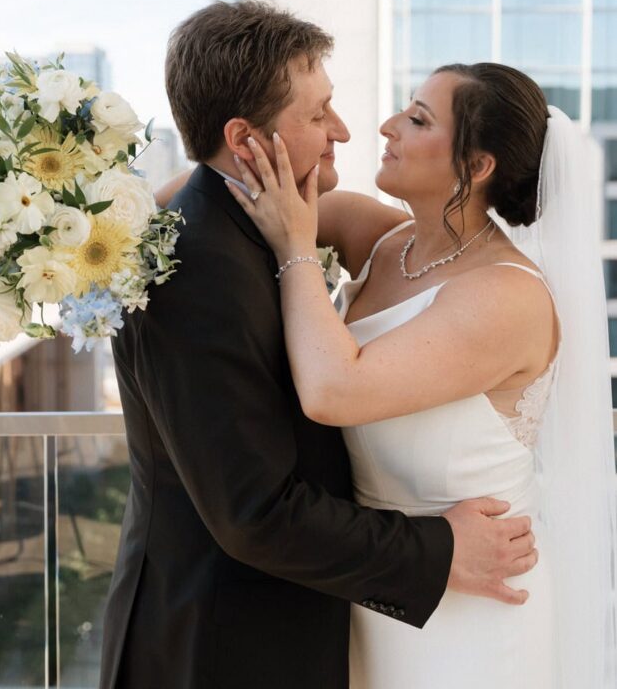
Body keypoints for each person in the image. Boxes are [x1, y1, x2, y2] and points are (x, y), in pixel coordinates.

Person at [99, 2, 537, 689]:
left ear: (476, 164)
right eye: (318, 114)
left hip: (389, 610)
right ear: (246, 141)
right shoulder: (200, 265)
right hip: (223, 642)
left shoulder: (316, 226)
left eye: (418, 118)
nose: (353, 129)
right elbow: (256, 512)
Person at [226, 61, 617, 688]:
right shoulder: (383, 241)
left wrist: (295, 248)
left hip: (475, 601)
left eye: (417, 119)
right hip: (379, 581)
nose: (386, 127)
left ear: (477, 166)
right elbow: (212, 201)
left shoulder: (506, 297)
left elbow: (333, 391)